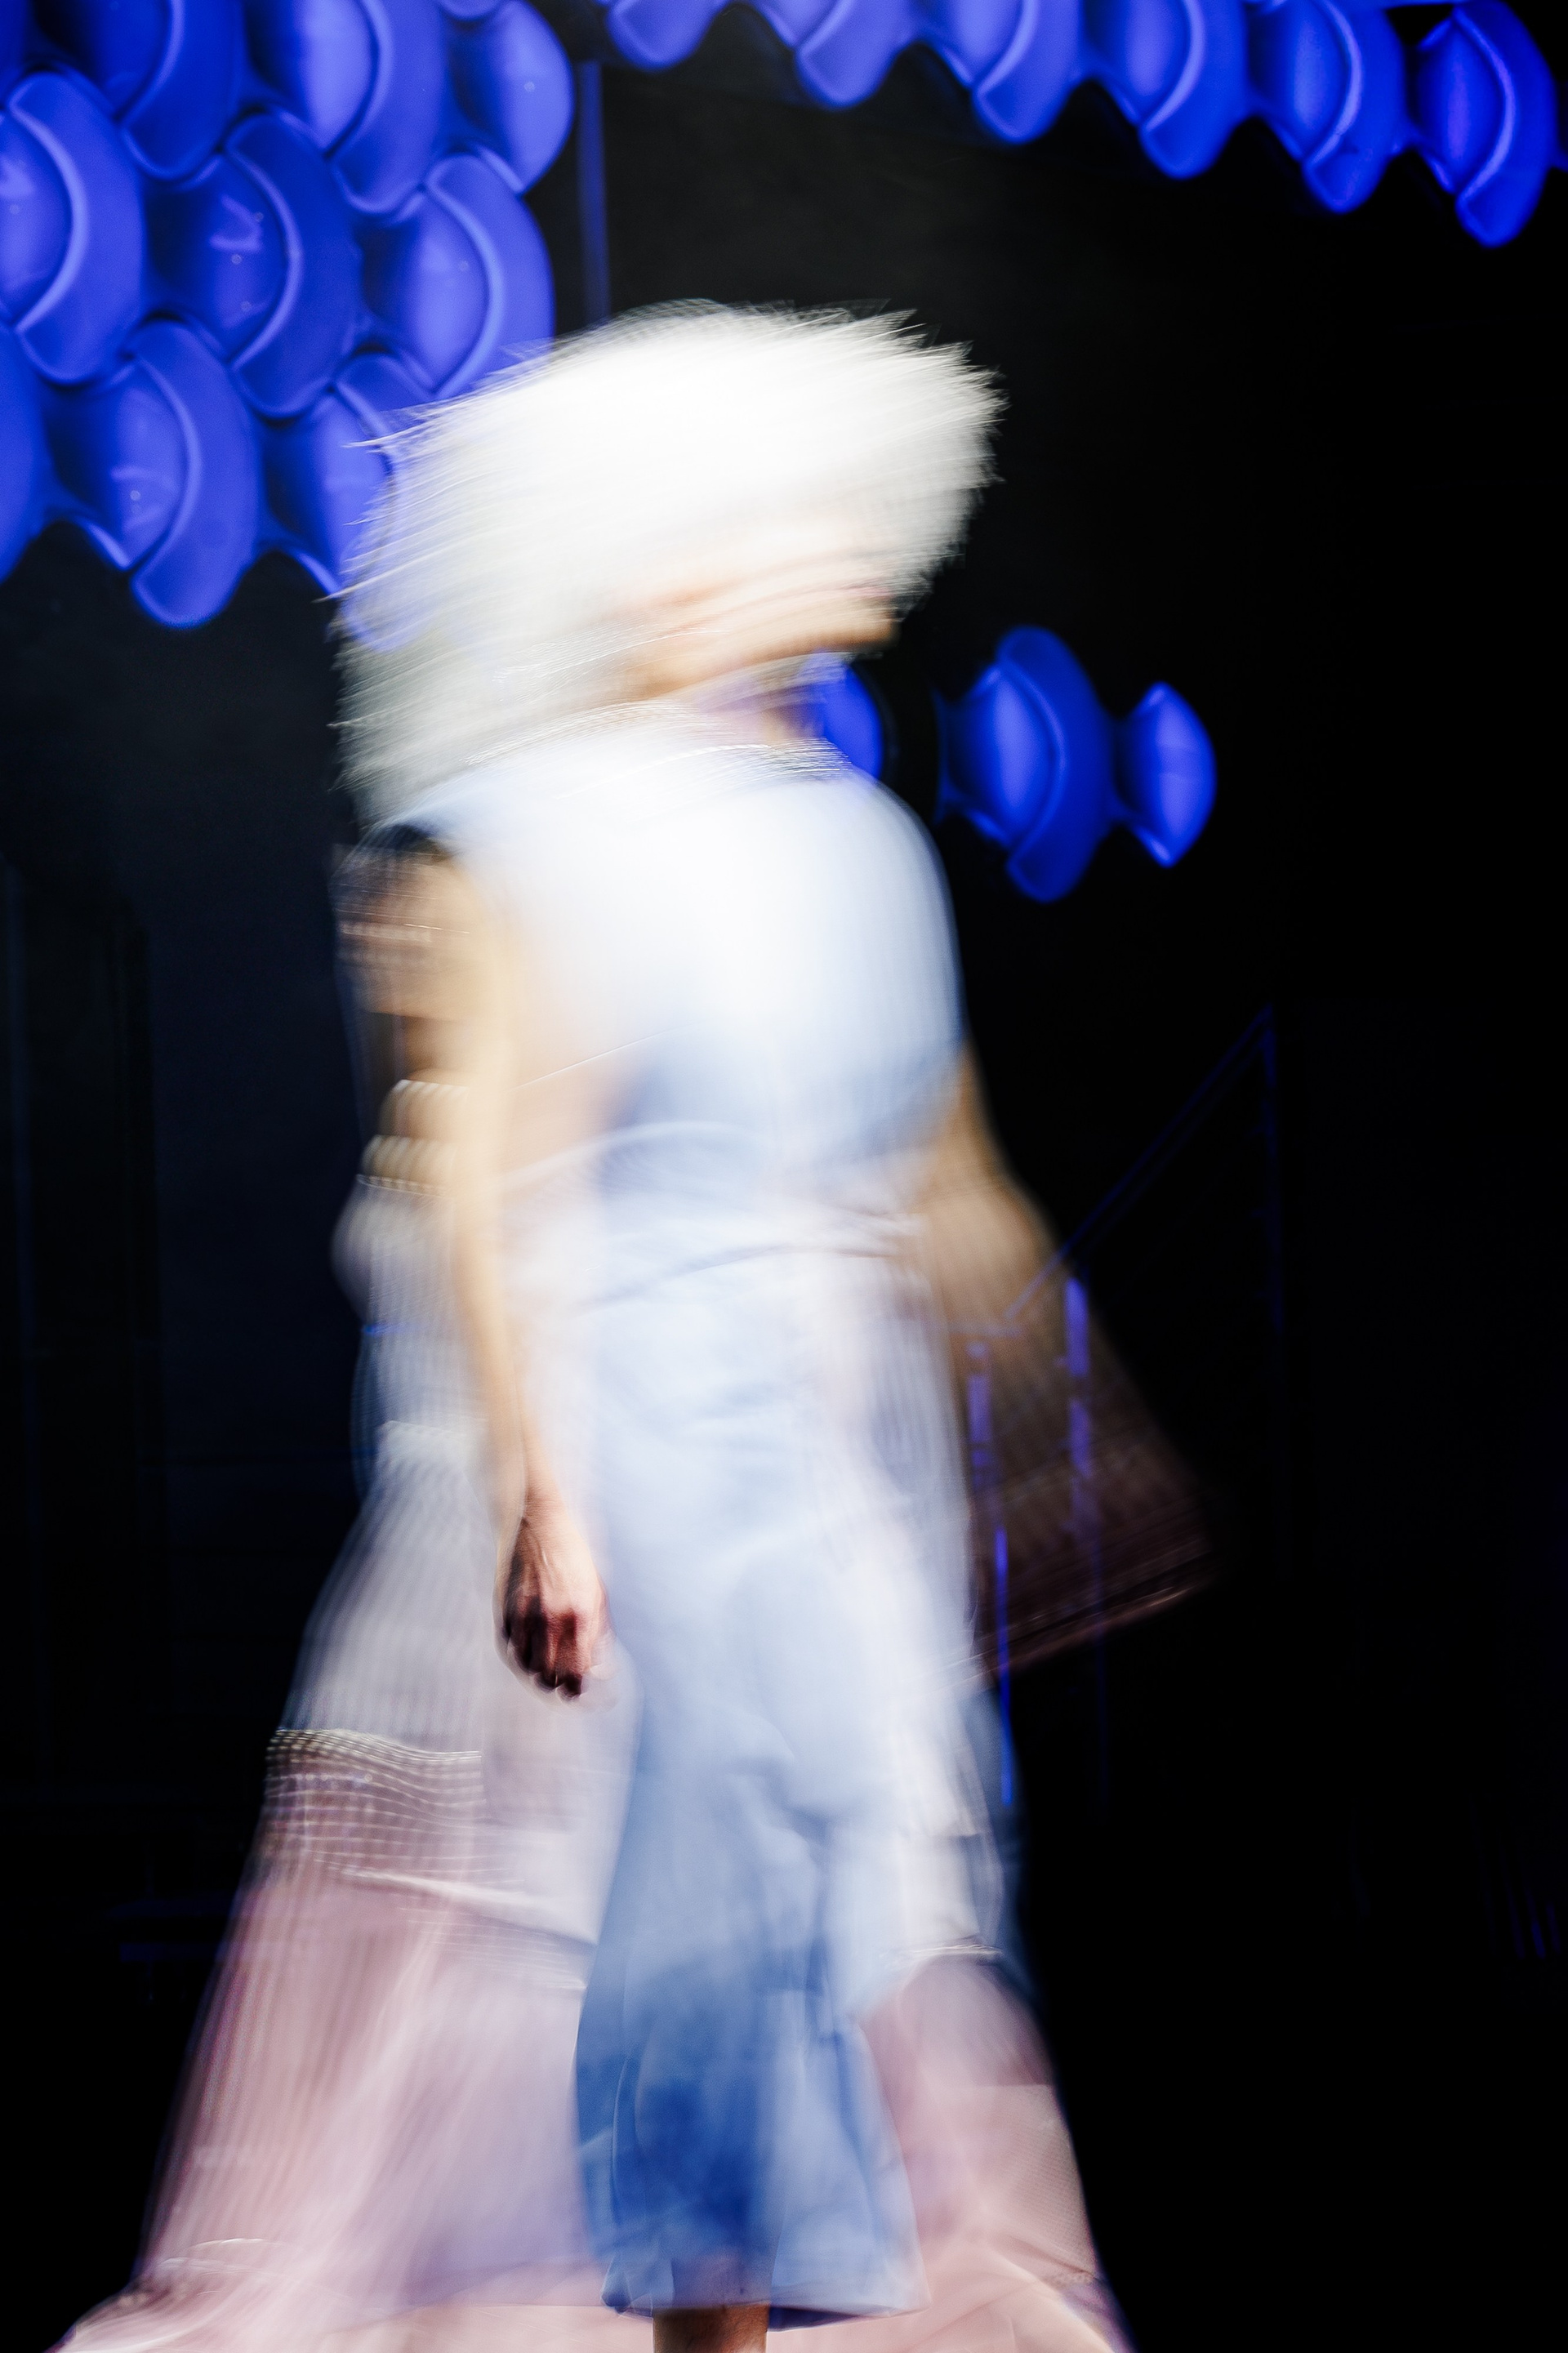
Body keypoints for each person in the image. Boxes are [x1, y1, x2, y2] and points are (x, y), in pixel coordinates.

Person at [62, 306, 1140, 2353]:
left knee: (827, 1935)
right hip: (627, 1454)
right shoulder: (527, 830)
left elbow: (938, 1170)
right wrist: (542, 1487)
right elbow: (478, 1180)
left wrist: (1061, 1417)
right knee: (641, 1946)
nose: (830, 564)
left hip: (804, 1480)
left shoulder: (853, 846)